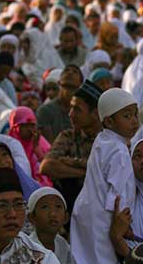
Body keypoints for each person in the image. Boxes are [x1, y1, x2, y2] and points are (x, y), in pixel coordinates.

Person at [69, 88, 139, 264]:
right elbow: (117, 192)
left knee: (86, 263)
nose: (134, 121)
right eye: (126, 116)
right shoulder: (118, 149)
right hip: (105, 214)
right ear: (109, 120)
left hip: (87, 210)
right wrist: (122, 223)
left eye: (135, 114)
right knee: (102, 263)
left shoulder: (103, 140)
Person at [40, 80, 103, 210]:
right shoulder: (68, 136)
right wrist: (87, 173)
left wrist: (73, 162)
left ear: (95, 114)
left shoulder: (107, 140)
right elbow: (47, 167)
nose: (71, 114)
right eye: (71, 108)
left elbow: (106, 172)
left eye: (77, 109)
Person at [35, 64, 83, 143]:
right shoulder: (45, 110)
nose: (70, 72)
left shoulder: (84, 111)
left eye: (75, 71)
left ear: (81, 84)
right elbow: (49, 145)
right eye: (66, 70)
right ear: (59, 81)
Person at [7, 106, 53, 187]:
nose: (30, 129)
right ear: (16, 126)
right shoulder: (9, 145)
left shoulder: (40, 141)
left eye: (32, 125)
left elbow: (51, 168)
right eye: (25, 125)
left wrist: (36, 149)